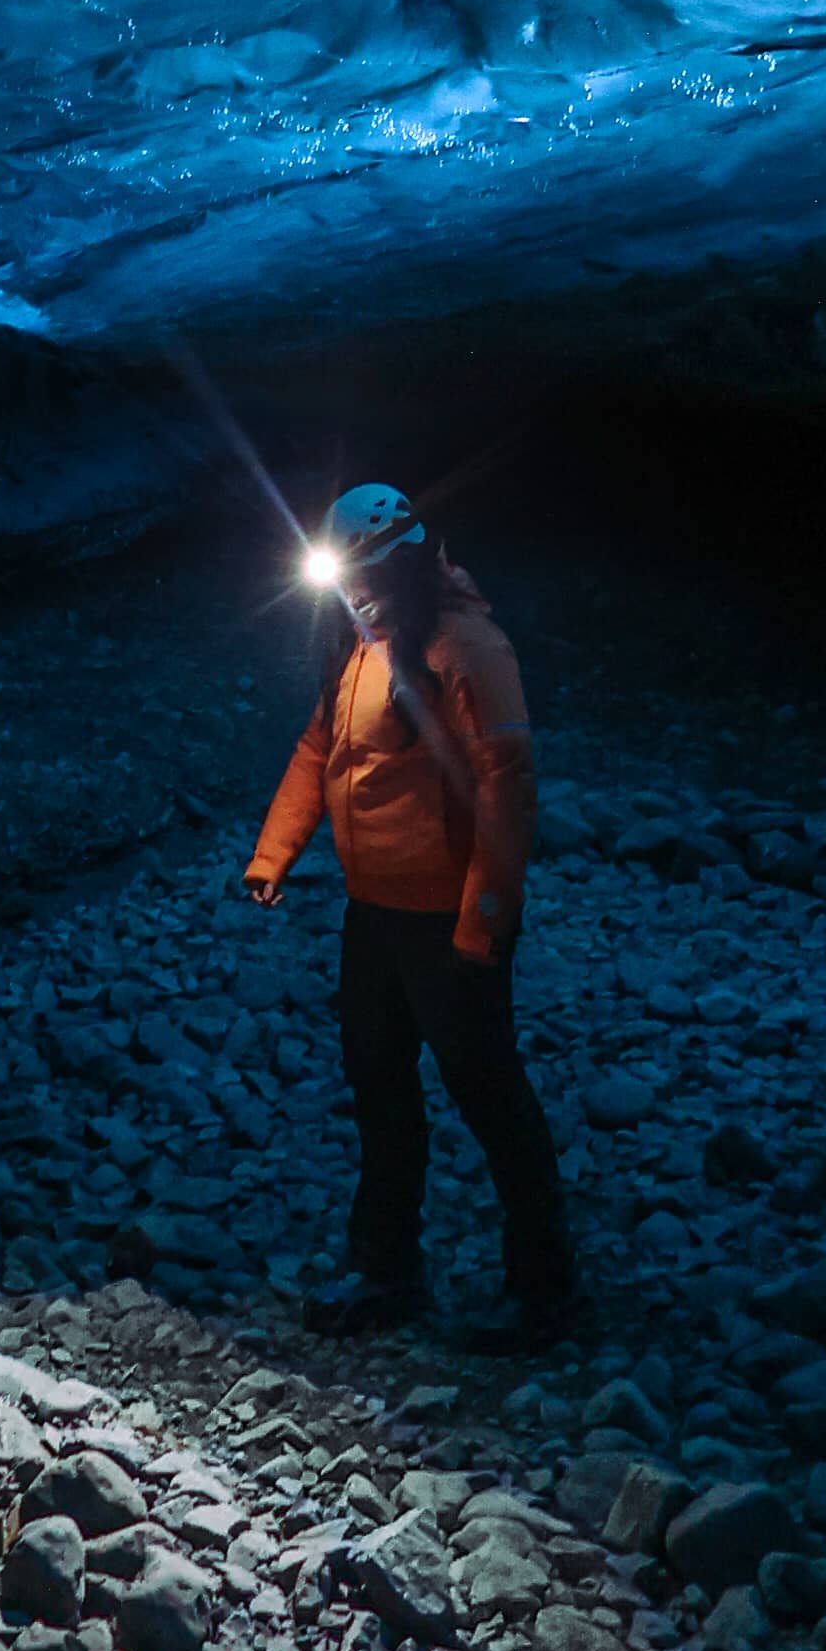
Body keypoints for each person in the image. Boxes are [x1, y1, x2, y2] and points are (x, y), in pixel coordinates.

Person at [239, 483, 577, 1344]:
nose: (347, 587)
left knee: (489, 1094)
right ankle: (386, 1269)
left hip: (446, 922)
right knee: (380, 1086)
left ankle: (545, 1291)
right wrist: (273, 855)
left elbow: (507, 787)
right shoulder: (364, 645)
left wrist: (484, 917)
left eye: (356, 569)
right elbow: (321, 749)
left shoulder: (466, 646)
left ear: (397, 558)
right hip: (375, 917)